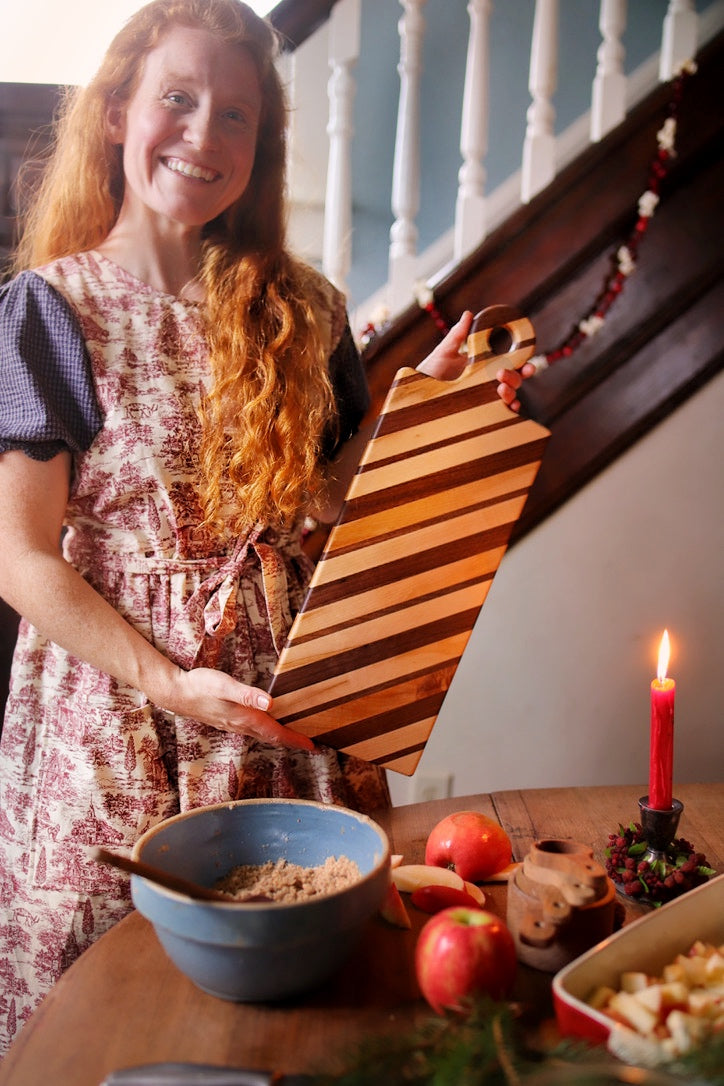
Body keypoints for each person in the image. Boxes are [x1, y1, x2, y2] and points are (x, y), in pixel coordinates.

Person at [0, 0, 531, 1056]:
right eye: (178, 98)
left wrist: (424, 417)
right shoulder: (49, 311)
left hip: (291, 708)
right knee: (109, 1016)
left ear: (261, 145)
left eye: (236, 115)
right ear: (117, 112)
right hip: (117, 723)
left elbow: (325, 501)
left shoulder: (300, 308)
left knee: (312, 1001)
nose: (204, 134)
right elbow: (19, 558)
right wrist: (170, 684)